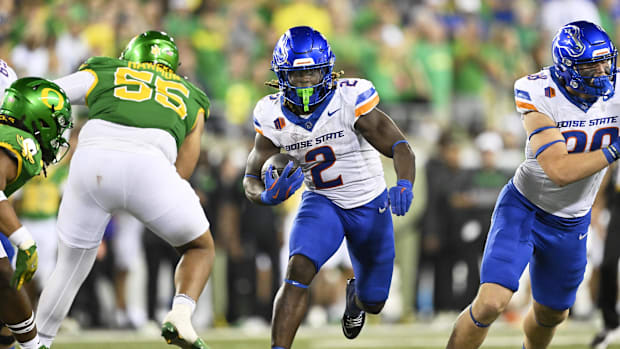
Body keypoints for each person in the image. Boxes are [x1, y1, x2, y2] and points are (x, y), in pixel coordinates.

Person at [445, 20, 620, 349]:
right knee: (491, 302)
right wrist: (615, 148)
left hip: (572, 221)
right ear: (567, 68)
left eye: (605, 62)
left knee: (553, 314)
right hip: (525, 208)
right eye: (589, 66)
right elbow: (559, 169)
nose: (601, 72)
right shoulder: (540, 91)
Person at [35, 30, 215, 349]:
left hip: (93, 159)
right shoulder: (191, 95)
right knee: (200, 247)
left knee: (68, 268)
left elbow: (48, 93)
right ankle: (181, 314)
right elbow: (183, 170)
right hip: (152, 166)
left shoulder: (107, 69)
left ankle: (37, 344)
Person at [243, 26, 415, 349]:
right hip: (322, 202)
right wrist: (266, 195)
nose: (307, 83)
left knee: (374, 300)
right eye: (298, 76)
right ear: (281, 76)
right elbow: (250, 178)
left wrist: (405, 181)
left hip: (369, 204)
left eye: (312, 73)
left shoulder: (350, 99)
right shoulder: (271, 115)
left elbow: (401, 146)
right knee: (298, 269)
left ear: (328, 71)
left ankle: (356, 297)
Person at [0, 75, 73, 349]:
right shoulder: (20, 140)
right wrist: (25, 241)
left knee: (5, 303)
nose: (58, 135)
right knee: (5, 278)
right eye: (57, 123)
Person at [591, 165, 620, 349]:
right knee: (607, 264)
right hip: (616, 210)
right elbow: (607, 172)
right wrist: (596, 208)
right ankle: (611, 322)